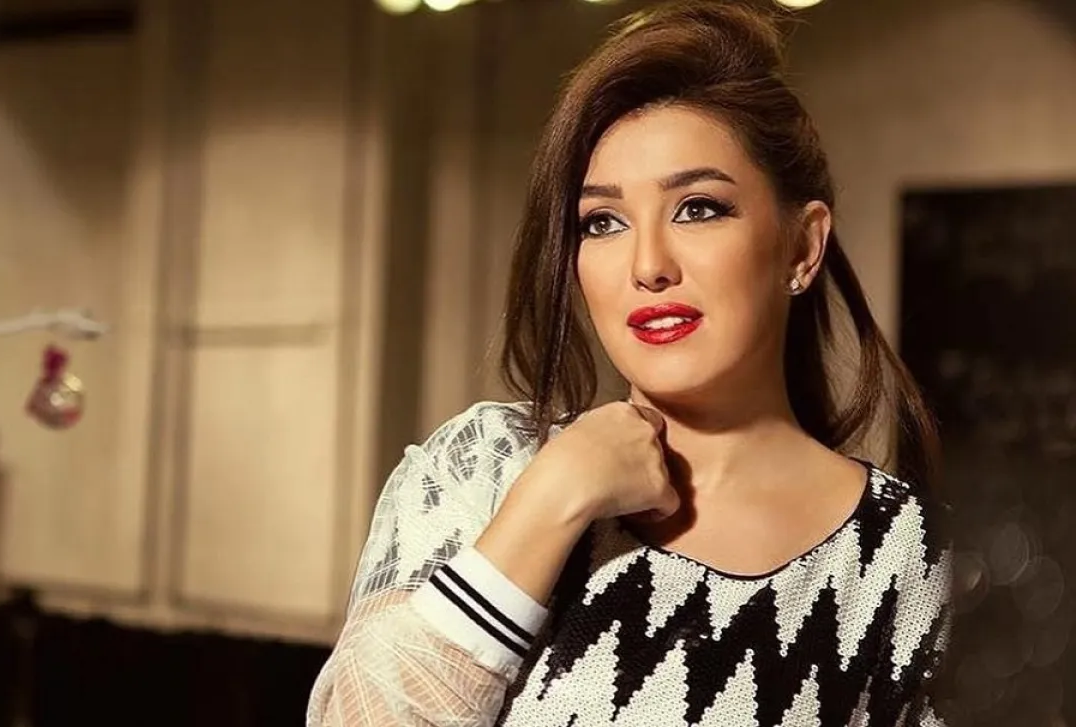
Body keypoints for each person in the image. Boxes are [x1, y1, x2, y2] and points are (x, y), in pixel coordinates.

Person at [307, 1, 953, 725]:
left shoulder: (902, 554)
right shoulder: (484, 469)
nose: (648, 265)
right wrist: (552, 500)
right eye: (603, 222)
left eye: (698, 208)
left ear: (802, 247)